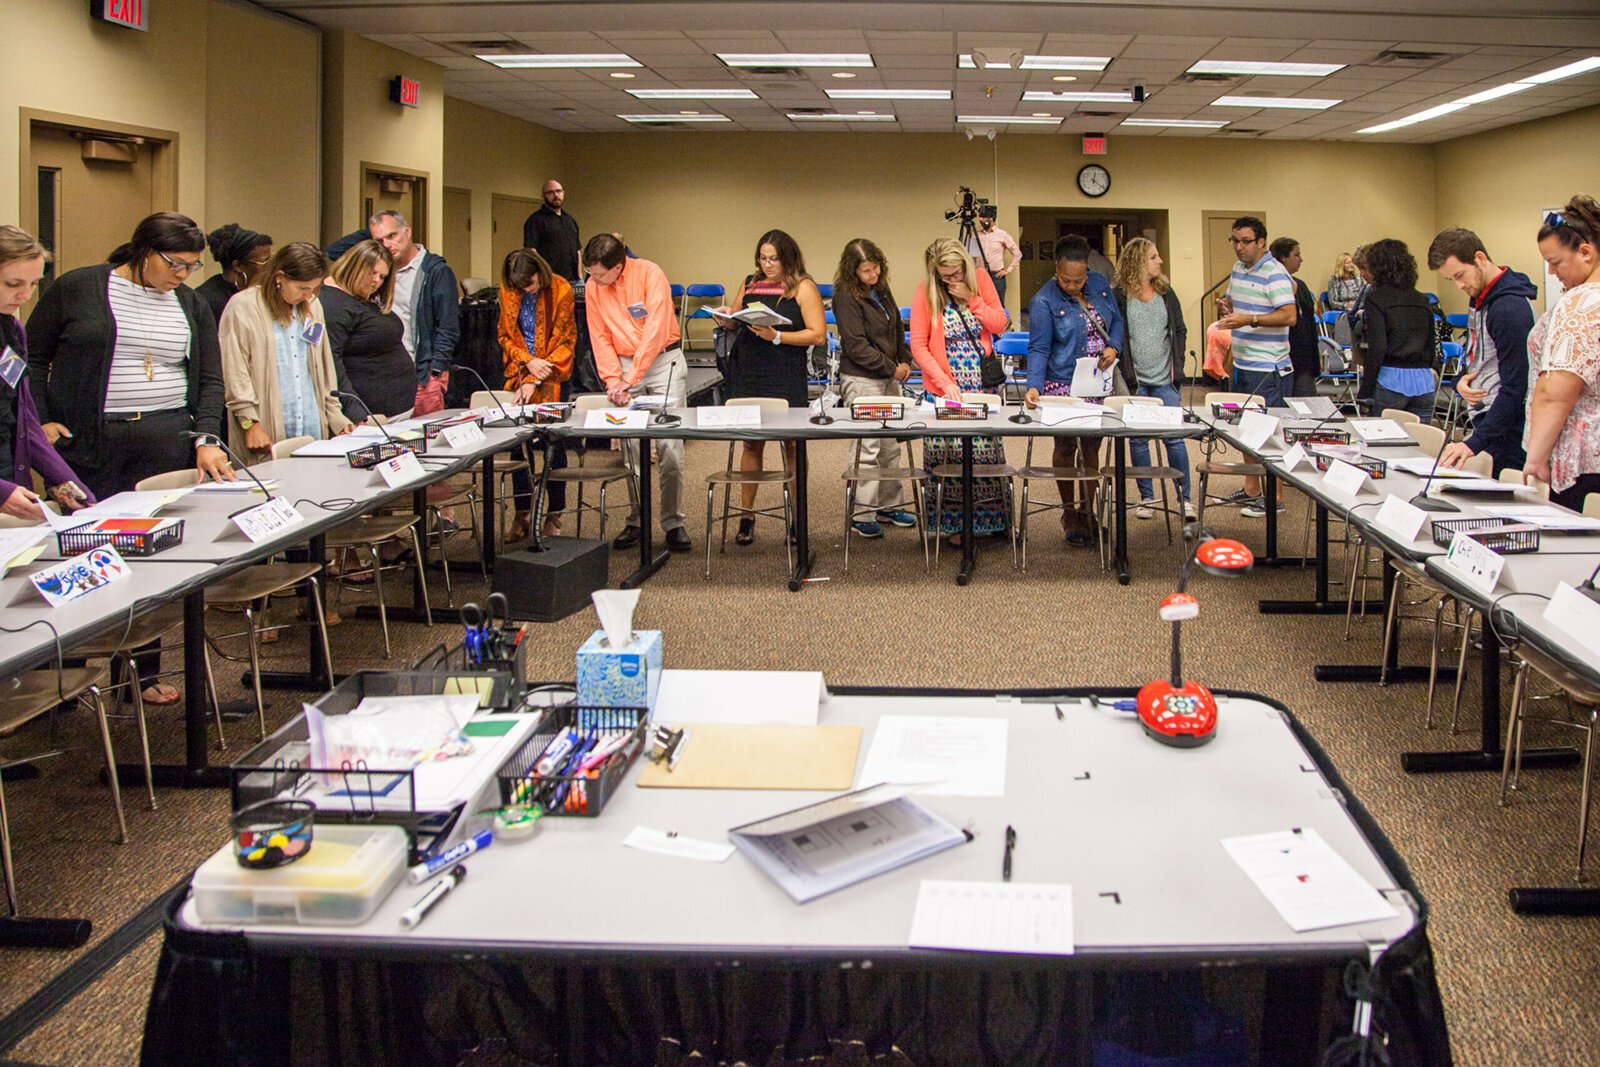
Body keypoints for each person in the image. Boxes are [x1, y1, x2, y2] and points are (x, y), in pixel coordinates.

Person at [26, 211, 234, 707]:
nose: (184, 275)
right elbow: (31, 359)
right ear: (143, 252)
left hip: (165, 439)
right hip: (90, 440)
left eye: (192, 265)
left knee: (152, 559)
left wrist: (206, 436)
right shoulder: (79, 288)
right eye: (175, 264)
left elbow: (208, 379)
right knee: (82, 552)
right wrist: (43, 420)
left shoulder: (189, 303)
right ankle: (62, 678)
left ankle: (141, 673)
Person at [716, 230, 826, 546]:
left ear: (788, 258)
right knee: (751, 444)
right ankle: (746, 514)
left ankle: (796, 515)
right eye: (763, 258)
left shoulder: (803, 287)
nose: (767, 264)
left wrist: (777, 336)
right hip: (749, 368)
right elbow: (737, 317)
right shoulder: (751, 283)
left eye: (773, 258)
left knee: (791, 443)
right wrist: (727, 318)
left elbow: (817, 334)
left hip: (784, 370)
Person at [583, 233, 691, 553]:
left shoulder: (649, 273)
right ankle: (637, 518)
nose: (594, 280)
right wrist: (612, 379)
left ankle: (673, 522)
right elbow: (599, 336)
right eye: (590, 273)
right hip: (623, 366)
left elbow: (656, 330)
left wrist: (633, 376)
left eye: (600, 274)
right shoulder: (593, 287)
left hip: (663, 362)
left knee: (670, 447)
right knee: (630, 447)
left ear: (619, 266)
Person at [1023, 236, 1125, 546]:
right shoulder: (1043, 302)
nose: (1072, 286)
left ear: (1087, 272)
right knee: (1066, 447)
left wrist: (1114, 347)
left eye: (1078, 280)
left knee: (1091, 448)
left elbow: (1117, 321)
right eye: (1066, 280)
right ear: (1056, 270)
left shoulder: (1099, 284)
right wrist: (1033, 386)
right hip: (1062, 383)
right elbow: (1039, 348)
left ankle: (1088, 512)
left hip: (1096, 382)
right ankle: (1069, 513)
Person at [910, 237, 1011, 546]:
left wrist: (972, 299)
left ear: (965, 267)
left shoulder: (980, 281)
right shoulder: (926, 291)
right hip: (946, 389)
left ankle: (993, 525)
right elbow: (919, 345)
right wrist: (944, 383)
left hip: (980, 387)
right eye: (945, 275)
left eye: (955, 273)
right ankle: (954, 526)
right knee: (950, 458)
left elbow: (1000, 324)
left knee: (985, 458)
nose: (951, 280)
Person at [218, 242, 352, 462]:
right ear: (280, 277)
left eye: (313, 289)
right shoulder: (243, 306)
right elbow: (235, 372)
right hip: (265, 427)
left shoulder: (312, 306)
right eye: (302, 288)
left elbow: (322, 365)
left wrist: (335, 416)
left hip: (310, 423)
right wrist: (249, 422)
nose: (308, 295)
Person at [0, 226, 95, 521]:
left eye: (33, 283)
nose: (26, 295)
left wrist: (68, 483)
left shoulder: (12, 331)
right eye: (13, 283)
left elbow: (25, 418)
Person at [1427, 227, 1535, 474]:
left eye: (1460, 275)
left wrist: (1473, 443)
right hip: (1489, 421)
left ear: (1481, 258)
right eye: (1450, 279)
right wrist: (1459, 382)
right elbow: (1477, 357)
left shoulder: (1509, 308)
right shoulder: (1480, 296)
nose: (1459, 285)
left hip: (1508, 429)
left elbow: (1517, 386)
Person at [832, 238, 917, 539]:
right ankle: (862, 512)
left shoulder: (881, 289)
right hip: (862, 378)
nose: (873, 274)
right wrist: (891, 367)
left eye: (876, 267)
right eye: (866, 270)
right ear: (853, 271)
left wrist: (904, 360)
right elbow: (856, 346)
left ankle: (889, 505)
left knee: (890, 445)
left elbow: (896, 329)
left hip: (889, 375)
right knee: (868, 446)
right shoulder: (845, 296)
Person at [1215, 215, 1296, 517]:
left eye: (1245, 241)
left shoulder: (1275, 273)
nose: (1239, 247)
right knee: (1244, 430)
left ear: (1261, 242)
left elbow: (1289, 315)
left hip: (1269, 367)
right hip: (1244, 361)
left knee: (1267, 434)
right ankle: (1252, 489)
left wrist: (1249, 319)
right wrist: (1229, 308)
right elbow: (1240, 306)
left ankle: (1274, 498)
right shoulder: (1238, 269)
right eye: (1234, 241)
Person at [1523, 195, 1600, 511]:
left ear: (1586, 252)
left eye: (1555, 263)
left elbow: (1556, 391)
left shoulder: (1582, 303)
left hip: (1578, 461)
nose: (1552, 273)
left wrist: (1536, 458)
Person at [1112, 237, 1193, 522]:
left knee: (1174, 439)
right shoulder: (1120, 295)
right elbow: (1117, 334)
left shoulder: (1166, 293)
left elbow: (1179, 330)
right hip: (1137, 380)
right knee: (1138, 439)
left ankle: (1185, 499)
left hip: (1165, 378)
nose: (1159, 262)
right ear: (1138, 261)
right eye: (1154, 257)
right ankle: (1147, 497)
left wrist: (1178, 365)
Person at [498, 248, 576, 541]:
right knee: (518, 446)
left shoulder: (561, 289)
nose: (527, 290)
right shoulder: (508, 291)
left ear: (540, 273)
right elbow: (505, 335)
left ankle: (554, 514)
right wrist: (526, 364)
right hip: (520, 370)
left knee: (553, 445)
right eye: (521, 287)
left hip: (553, 371)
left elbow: (565, 338)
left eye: (530, 283)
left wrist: (533, 378)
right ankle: (523, 513)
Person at [368, 210, 458, 416]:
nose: (387, 245)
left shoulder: (435, 271)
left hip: (423, 372)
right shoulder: (380, 272)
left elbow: (448, 327)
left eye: (392, 236)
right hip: (388, 373)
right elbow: (334, 252)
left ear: (407, 231)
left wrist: (436, 370)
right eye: (379, 241)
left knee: (426, 442)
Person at [321, 240, 415, 420]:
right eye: (373, 273)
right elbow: (332, 363)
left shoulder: (362, 297)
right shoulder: (333, 304)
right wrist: (356, 413)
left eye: (382, 277)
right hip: (369, 417)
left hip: (395, 410)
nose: (376, 281)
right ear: (354, 265)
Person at [1355, 238, 1438, 423]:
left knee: (1383, 444)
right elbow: (1431, 345)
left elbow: (1378, 348)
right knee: (1421, 445)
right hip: (1424, 381)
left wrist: (1365, 390)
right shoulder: (1422, 300)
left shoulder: (1376, 299)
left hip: (1390, 380)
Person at [1270, 236, 1321, 398]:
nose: (1301, 259)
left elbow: (1309, 325)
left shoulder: (1301, 286)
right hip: (1282, 358)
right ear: (1283, 258)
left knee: (1306, 407)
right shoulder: (1272, 284)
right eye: (1297, 255)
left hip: (1304, 358)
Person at [196, 224, 272, 326]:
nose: (270, 267)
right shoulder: (208, 301)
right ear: (238, 266)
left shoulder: (261, 294)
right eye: (264, 262)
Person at [975, 207, 1023, 307]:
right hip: (980, 275)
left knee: (999, 306)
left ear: (991, 218)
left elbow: (1017, 254)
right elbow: (971, 256)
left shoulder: (1002, 235)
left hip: (997, 276)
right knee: (980, 305)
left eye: (983, 217)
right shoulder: (975, 235)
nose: (980, 219)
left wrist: (1008, 270)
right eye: (980, 217)